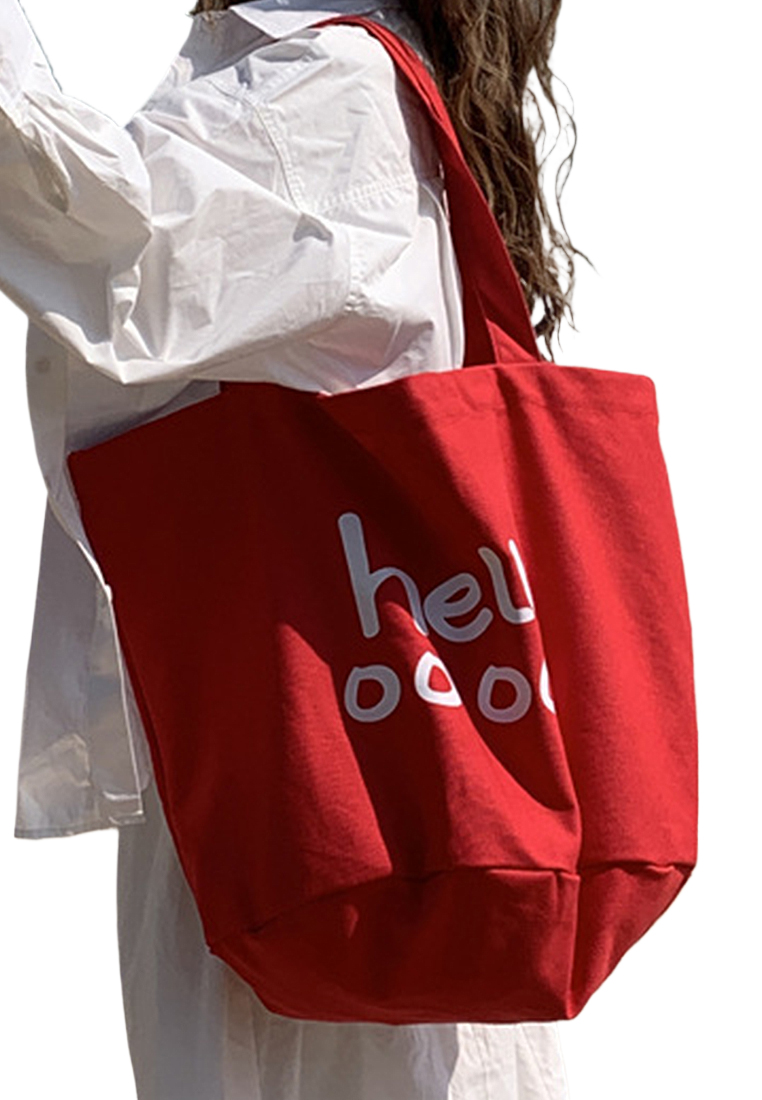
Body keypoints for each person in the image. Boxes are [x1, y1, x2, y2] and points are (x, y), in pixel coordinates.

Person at [1, 1, 583, 1096]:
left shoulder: (328, 85)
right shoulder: (360, 77)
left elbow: (110, 249)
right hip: (368, 763)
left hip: (307, 773)